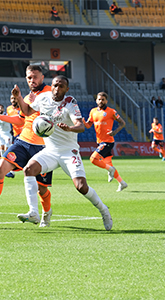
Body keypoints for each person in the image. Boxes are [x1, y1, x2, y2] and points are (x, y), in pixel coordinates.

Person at [17, 76, 112, 229]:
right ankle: (33, 212)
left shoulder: (70, 102)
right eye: (55, 85)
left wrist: (70, 128)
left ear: (66, 89)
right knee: (28, 169)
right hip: (50, 151)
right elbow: (27, 110)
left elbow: (80, 126)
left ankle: (104, 210)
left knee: (81, 186)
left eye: (61, 86)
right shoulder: (43, 98)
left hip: (69, 151)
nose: (57, 88)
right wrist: (19, 98)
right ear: (51, 85)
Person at [0, 65, 55, 226]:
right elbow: (21, 120)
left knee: (41, 189)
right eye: (29, 77)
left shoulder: (50, 94)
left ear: (42, 77)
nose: (32, 80)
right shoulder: (29, 97)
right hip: (22, 142)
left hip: (43, 147)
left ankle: (47, 212)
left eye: (35, 77)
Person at [85, 92, 128, 191]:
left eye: (103, 99)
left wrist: (115, 131)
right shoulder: (93, 111)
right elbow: (88, 125)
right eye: (99, 99)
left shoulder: (111, 111)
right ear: (96, 100)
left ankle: (110, 170)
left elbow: (122, 123)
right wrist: (83, 122)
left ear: (106, 101)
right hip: (100, 141)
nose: (101, 101)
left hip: (108, 141)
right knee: (109, 164)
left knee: (93, 159)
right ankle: (122, 183)